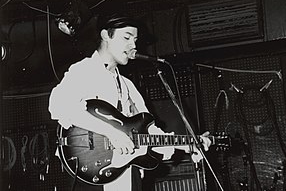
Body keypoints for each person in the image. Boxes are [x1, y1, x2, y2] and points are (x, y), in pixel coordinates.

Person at [48, 12, 211, 191]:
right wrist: (111, 133)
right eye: (127, 37)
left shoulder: (128, 86)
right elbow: (59, 106)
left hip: (126, 174)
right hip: (91, 170)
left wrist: (189, 143)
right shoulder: (84, 70)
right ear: (105, 35)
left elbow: (149, 132)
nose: (133, 45)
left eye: (135, 39)